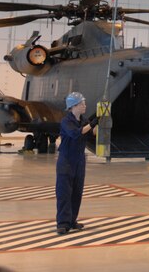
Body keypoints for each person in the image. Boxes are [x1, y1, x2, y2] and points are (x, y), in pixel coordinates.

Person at [55, 92, 97, 235]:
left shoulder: (83, 120)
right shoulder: (66, 121)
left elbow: (92, 133)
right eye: (82, 104)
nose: (85, 106)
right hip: (66, 160)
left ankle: (72, 220)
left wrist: (102, 120)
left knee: (77, 192)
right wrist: (92, 123)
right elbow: (76, 134)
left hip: (79, 160)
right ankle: (62, 223)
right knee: (64, 192)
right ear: (74, 106)